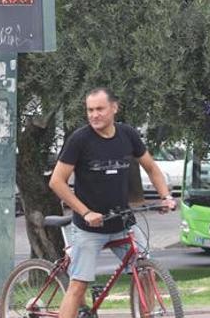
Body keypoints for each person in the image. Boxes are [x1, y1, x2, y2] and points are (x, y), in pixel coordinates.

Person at [48, 87, 176, 318]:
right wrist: (86, 213)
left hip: (123, 222)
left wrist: (165, 196)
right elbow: (57, 182)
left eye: (100, 109)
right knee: (79, 285)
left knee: (146, 272)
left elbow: (152, 168)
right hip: (89, 227)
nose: (94, 115)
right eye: (90, 110)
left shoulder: (128, 135)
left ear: (114, 108)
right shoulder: (80, 139)